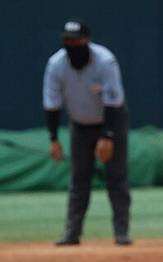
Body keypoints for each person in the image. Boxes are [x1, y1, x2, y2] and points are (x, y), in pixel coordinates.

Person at [43, 19, 132, 246]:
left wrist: (107, 136)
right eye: (67, 40)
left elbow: (113, 101)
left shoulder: (105, 61)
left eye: (76, 40)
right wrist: (53, 138)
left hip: (111, 122)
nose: (71, 44)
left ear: (86, 41)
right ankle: (71, 233)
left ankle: (121, 232)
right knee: (79, 178)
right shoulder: (56, 64)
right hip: (80, 125)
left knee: (116, 176)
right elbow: (52, 104)